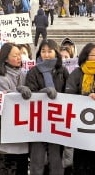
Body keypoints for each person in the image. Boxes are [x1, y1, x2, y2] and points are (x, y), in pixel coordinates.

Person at [24, 40, 68, 175]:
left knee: (56, 162)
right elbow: (30, 94)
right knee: (37, 161)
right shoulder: (33, 71)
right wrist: (42, 93)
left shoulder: (62, 71)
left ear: (56, 52)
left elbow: (69, 92)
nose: (46, 54)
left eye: (49, 51)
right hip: (38, 122)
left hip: (57, 122)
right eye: (43, 51)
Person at [0, 43, 30, 174]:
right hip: (6, 137)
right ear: (5, 58)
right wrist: (17, 93)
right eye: (15, 55)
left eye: (20, 55)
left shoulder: (25, 74)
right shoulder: (0, 79)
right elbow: (6, 105)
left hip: (23, 134)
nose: (19, 58)